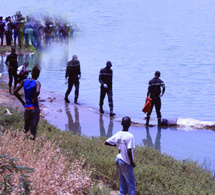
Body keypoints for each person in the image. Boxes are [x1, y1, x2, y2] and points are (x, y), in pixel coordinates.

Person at [105, 116, 136, 195]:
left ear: (121, 123)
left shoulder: (118, 134)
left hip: (118, 160)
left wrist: (118, 145)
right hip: (126, 162)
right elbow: (129, 151)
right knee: (131, 184)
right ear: (130, 124)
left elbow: (106, 142)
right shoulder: (130, 136)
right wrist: (132, 162)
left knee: (122, 183)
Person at [14, 65, 41, 140]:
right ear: (38, 75)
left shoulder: (24, 81)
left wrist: (23, 102)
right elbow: (38, 91)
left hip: (27, 108)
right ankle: (31, 147)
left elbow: (15, 91)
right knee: (33, 130)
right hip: (35, 108)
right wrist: (35, 98)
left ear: (31, 73)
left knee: (26, 128)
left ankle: (20, 143)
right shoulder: (37, 83)